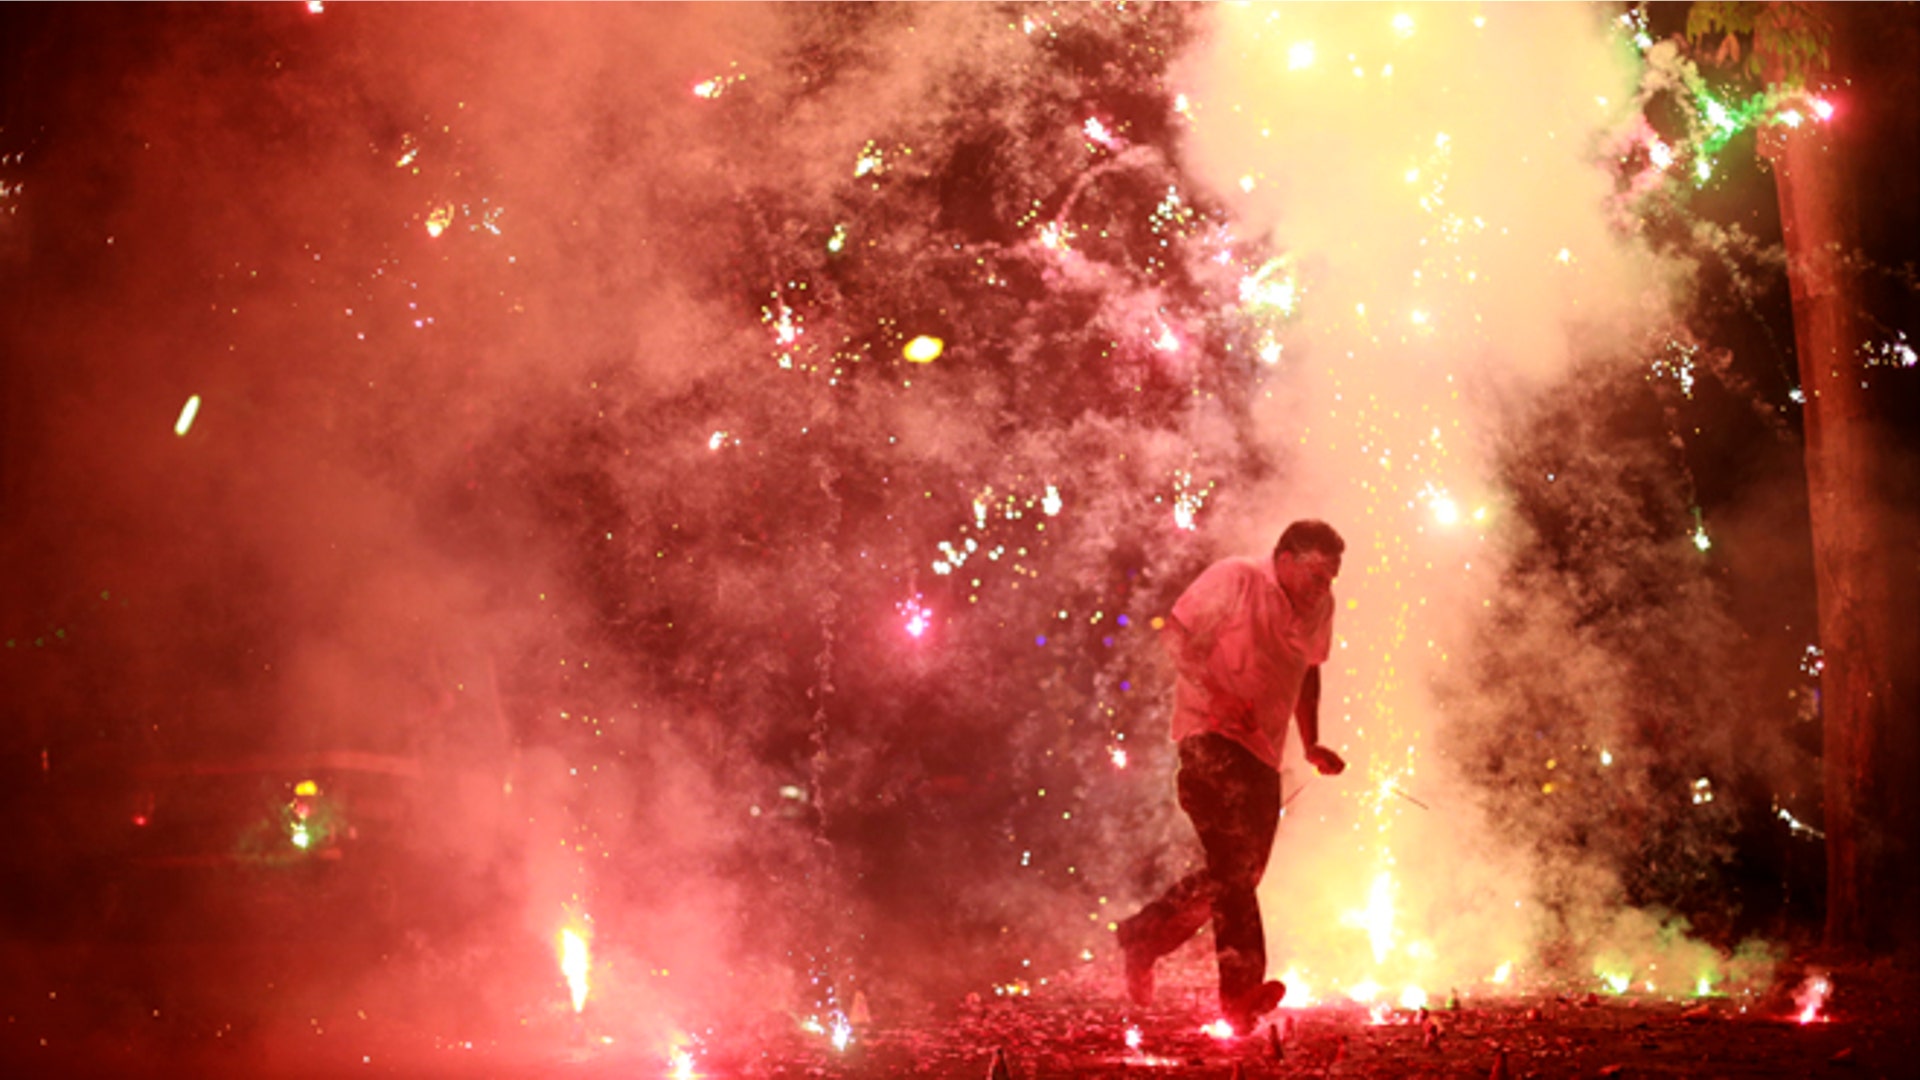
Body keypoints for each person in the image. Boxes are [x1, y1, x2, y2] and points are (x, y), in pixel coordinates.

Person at [1117, 519, 1348, 1033]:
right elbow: (1175, 637)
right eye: (1316, 575)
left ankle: (1143, 935)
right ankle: (1239, 996)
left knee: (1239, 874)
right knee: (1235, 868)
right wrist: (1217, 695)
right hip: (1208, 735)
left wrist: (1311, 742)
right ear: (1285, 561)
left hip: (1263, 751)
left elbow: (1309, 669)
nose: (1323, 588)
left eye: (1330, 578)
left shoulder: (1320, 607)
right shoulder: (1236, 578)